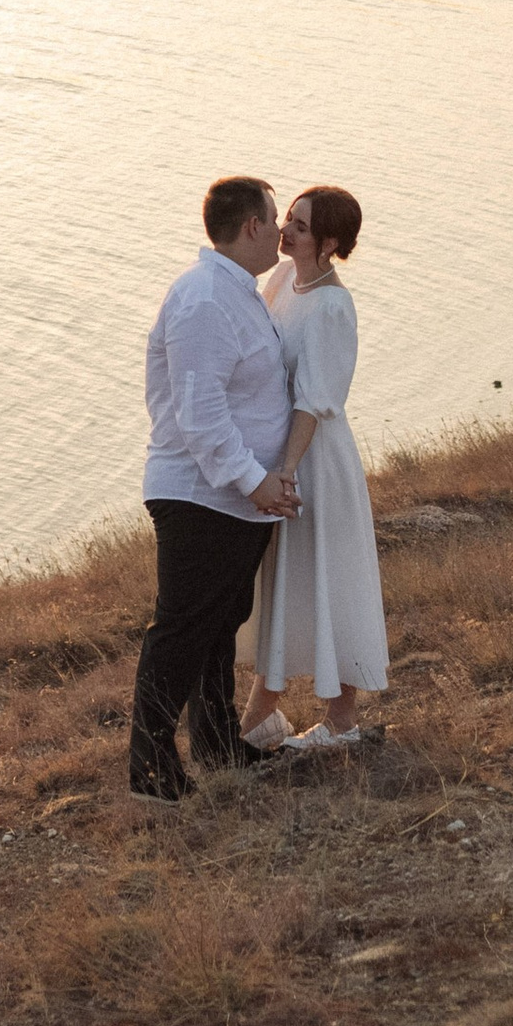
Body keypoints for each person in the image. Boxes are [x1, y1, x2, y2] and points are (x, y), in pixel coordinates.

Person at [128, 175, 301, 800]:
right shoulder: (204, 299)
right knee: (180, 630)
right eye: (274, 219)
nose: (281, 233)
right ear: (251, 226)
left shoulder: (239, 291)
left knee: (220, 622)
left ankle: (218, 744)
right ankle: (150, 774)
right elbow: (200, 415)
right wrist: (254, 481)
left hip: (232, 497)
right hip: (201, 494)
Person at [243, 186, 388, 751]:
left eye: (300, 227)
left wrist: (286, 472)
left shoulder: (333, 306)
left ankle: (341, 720)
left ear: (328, 243)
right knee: (284, 581)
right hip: (283, 454)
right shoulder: (281, 281)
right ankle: (261, 716)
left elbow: (314, 398)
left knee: (331, 575)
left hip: (315, 460)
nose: (286, 231)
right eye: (289, 220)